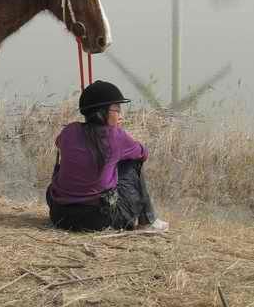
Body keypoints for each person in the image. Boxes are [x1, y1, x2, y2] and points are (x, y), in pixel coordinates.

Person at [46, 80, 168, 232]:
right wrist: (117, 132)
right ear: (101, 112)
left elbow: (59, 143)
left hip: (60, 216)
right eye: (117, 109)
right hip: (96, 220)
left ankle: (148, 220)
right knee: (131, 162)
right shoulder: (115, 137)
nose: (120, 114)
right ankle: (147, 221)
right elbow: (143, 153)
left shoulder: (69, 131)